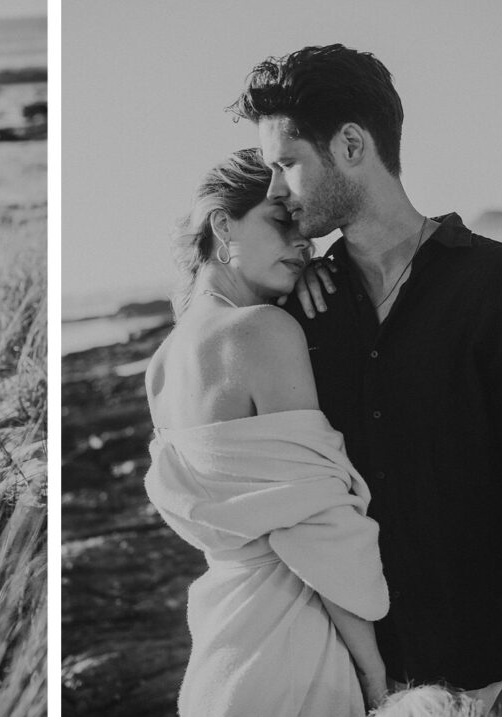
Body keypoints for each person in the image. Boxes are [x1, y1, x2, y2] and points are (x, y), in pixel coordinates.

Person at [231, 43, 502, 716]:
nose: (273, 190)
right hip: (362, 684)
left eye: (287, 164)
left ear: (352, 144)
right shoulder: (300, 314)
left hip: (499, 680)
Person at [144, 148, 390, 715]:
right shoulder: (264, 331)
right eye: (282, 221)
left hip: (222, 652)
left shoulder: (162, 366)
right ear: (223, 224)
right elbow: (319, 523)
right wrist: (374, 671)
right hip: (295, 645)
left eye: (306, 229)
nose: (303, 243)